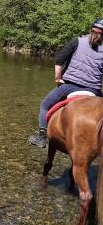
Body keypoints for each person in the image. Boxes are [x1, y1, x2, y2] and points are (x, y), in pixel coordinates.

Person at [29, 19, 103, 148]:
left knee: (44, 106)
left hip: (70, 86)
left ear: (91, 29)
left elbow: (59, 60)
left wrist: (58, 78)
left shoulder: (77, 41)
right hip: (94, 90)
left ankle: (41, 137)